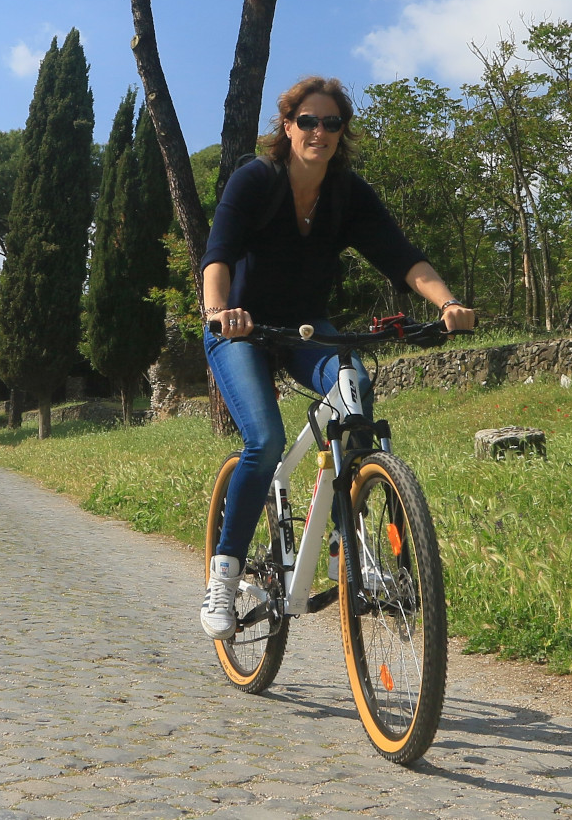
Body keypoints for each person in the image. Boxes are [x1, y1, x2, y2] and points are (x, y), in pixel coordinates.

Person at [198, 75, 475, 639]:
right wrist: (220, 311)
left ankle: (352, 548)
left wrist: (446, 302)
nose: (318, 132)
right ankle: (223, 578)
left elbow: (403, 259)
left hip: (305, 331)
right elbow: (218, 254)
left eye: (330, 123)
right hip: (242, 329)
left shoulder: (348, 194)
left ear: (342, 130)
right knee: (265, 441)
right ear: (287, 126)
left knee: (356, 388)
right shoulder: (257, 179)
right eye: (307, 121)